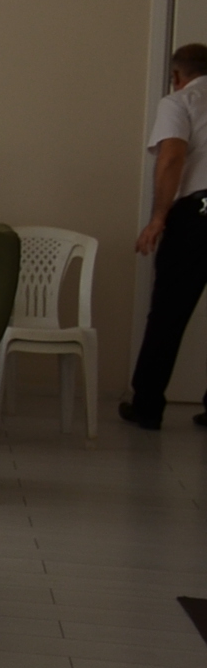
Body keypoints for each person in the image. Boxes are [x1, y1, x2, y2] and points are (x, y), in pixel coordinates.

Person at [124, 42, 207, 430]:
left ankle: (147, 406)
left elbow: (172, 156)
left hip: (200, 213)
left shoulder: (181, 101)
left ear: (177, 75)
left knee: (169, 311)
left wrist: (159, 217)